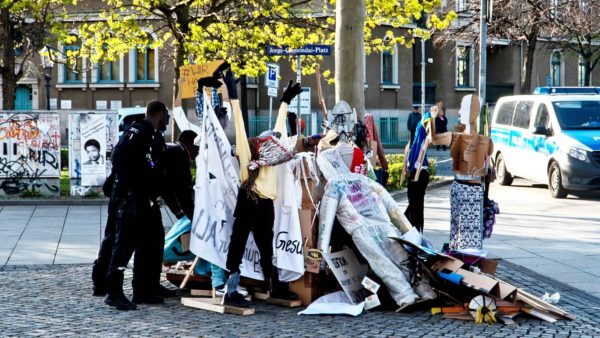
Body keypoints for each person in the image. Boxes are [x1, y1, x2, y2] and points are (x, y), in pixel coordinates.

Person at [221, 68, 302, 308]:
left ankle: (273, 285)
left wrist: (285, 102)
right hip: (249, 200)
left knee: (266, 246)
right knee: (237, 244)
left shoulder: (273, 155)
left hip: (265, 204)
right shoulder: (248, 151)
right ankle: (230, 289)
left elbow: (278, 130)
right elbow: (239, 124)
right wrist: (233, 96)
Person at [101, 99, 170, 311]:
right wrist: (128, 188)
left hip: (147, 199)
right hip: (132, 198)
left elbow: (153, 166)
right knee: (124, 246)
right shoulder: (138, 131)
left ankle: (145, 288)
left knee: (152, 242)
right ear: (158, 113)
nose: (167, 120)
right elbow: (119, 157)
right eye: (166, 116)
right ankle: (114, 292)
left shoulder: (154, 136)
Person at [404, 111, 433, 233]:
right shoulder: (420, 136)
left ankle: (414, 228)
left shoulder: (421, 135)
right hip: (420, 174)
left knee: (415, 204)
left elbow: (415, 156)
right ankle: (415, 228)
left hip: (419, 174)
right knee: (416, 204)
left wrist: (409, 169)